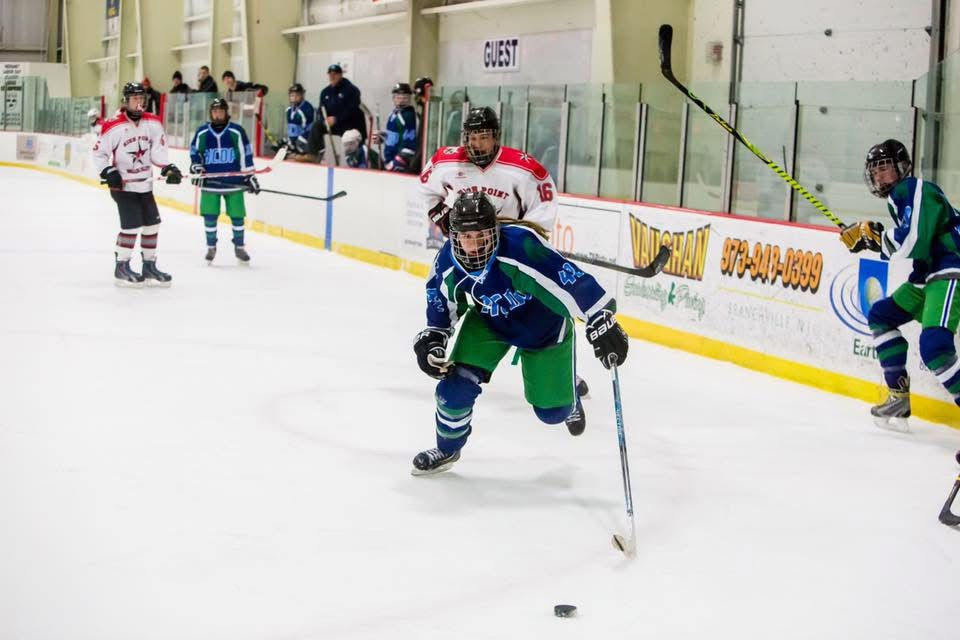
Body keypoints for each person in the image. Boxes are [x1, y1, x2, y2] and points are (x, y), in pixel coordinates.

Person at [410, 192, 629, 475]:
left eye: (481, 236)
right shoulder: (447, 262)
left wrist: (600, 318)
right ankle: (447, 449)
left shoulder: (522, 246)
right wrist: (433, 340)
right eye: (466, 237)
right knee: (454, 389)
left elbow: (569, 280)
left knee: (552, 413)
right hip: (491, 321)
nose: (474, 246)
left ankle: (569, 393)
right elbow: (441, 305)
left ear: (494, 231)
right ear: (454, 237)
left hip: (546, 327)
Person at [417, 106, 592, 405]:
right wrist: (448, 220)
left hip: (516, 258)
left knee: (537, 316)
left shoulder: (522, 168)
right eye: (471, 137)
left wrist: (522, 236)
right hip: (475, 257)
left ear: (496, 137)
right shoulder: (446, 162)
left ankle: (564, 379)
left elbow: (544, 206)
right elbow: (426, 190)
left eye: (484, 137)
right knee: (495, 312)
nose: (477, 144)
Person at [840, 139, 960, 430]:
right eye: (875, 170)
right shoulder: (899, 198)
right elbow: (912, 241)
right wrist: (873, 236)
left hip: (953, 266)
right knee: (881, 315)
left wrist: (875, 238)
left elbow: (914, 239)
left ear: (902, 167)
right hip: (929, 273)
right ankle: (898, 395)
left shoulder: (914, 188)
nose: (879, 175)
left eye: (885, 168)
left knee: (934, 345)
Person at [92, 82, 182, 287]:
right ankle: (121, 266)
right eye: (135, 98)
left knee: (152, 224)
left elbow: (158, 153)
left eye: (142, 98)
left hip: (144, 185)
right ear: (126, 100)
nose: (139, 102)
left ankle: (149, 266)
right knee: (131, 226)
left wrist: (167, 167)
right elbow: (99, 153)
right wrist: (108, 171)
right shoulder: (113, 125)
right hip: (122, 186)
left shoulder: (153, 123)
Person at [189, 98, 259, 265]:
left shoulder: (236, 131)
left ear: (226, 112)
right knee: (210, 216)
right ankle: (211, 247)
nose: (217, 114)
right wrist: (197, 168)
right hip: (210, 182)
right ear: (210, 113)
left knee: (237, 216)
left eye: (220, 111)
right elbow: (195, 152)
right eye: (214, 111)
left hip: (234, 182)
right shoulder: (202, 132)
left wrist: (250, 176)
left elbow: (245, 155)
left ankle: (239, 247)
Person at [377, 82, 417, 173]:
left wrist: (398, 161)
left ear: (409, 98)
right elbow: (396, 136)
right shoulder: (394, 113)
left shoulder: (409, 115)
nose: (401, 100)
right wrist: (383, 137)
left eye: (405, 97)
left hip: (399, 161)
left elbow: (410, 143)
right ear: (393, 98)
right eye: (398, 97)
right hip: (390, 159)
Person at [319, 63, 366, 139]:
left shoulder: (352, 90)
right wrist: (325, 120)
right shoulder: (325, 92)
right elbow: (321, 110)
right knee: (317, 125)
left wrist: (336, 119)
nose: (332, 76)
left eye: (335, 74)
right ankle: (316, 150)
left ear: (341, 75)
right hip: (332, 125)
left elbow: (352, 110)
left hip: (349, 125)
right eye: (330, 74)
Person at [285, 83, 315, 154]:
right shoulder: (289, 110)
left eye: (297, 95)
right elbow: (291, 129)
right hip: (296, 142)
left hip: (304, 142)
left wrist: (296, 143)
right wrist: (288, 142)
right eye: (292, 95)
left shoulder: (307, 108)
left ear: (302, 95)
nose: (294, 97)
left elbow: (308, 130)